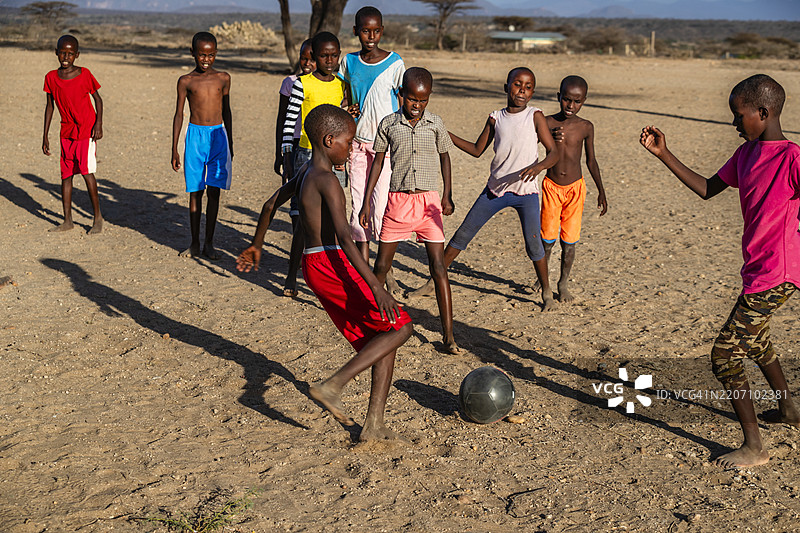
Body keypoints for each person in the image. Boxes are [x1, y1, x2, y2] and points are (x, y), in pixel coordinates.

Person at [640, 74, 800, 468]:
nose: (733, 122)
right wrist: (665, 154)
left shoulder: (791, 157)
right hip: (758, 270)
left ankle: (754, 446)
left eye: (738, 114)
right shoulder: (745, 155)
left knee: (725, 354)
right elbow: (709, 188)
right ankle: (789, 411)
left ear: (763, 113)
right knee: (757, 340)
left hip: (778, 272)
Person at [237, 104, 412, 442]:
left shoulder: (305, 171)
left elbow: (269, 205)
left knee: (382, 338)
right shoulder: (328, 180)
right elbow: (346, 239)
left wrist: (257, 243)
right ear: (329, 140)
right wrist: (377, 286)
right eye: (348, 142)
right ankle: (334, 385)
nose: (351, 148)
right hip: (332, 262)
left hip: (313, 263)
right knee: (402, 327)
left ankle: (373, 425)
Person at [408, 67, 558, 312]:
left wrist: (539, 167)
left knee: (533, 244)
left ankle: (546, 291)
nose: (522, 90)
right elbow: (477, 150)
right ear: (506, 87)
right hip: (495, 190)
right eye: (517, 84)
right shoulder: (495, 118)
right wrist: (445, 133)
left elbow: (554, 153)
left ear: (533, 92)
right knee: (462, 235)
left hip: (526, 192)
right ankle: (431, 282)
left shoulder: (535, 116)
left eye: (528, 86)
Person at [359, 67, 460, 353]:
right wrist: (367, 201)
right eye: (412, 99)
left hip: (429, 205)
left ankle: (449, 336)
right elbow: (377, 163)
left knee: (439, 268)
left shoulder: (436, 124)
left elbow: (445, 158)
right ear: (400, 94)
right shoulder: (388, 124)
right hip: (398, 202)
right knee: (381, 266)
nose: (417, 106)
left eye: (423, 100)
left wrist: (447, 196)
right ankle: (367, 322)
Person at [338, 6, 405, 293]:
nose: (371, 36)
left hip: (385, 148)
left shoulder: (394, 63)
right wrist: (345, 109)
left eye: (376, 30)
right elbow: (342, 96)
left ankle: (383, 269)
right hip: (357, 144)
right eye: (365, 30)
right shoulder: (348, 63)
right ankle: (366, 275)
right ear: (356, 31)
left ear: (382, 31)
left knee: (379, 211)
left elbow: (406, 101)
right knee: (358, 212)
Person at [280, 31, 351, 296]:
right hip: (304, 156)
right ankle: (291, 276)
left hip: (333, 159)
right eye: (323, 55)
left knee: (332, 217)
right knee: (301, 219)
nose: (329, 60)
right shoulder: (302, 84)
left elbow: (342, 119)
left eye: (334, 55)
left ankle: (330, 274)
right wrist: (287, 158)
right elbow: (289, 123)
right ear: (314, 55)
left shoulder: (342, 84)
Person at [542, 76, 607, 303]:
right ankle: (544, 280)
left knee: (569, 241)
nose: (570, 106)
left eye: (577, 101)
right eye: (566, 99)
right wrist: (548, 137)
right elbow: (530, 148)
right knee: (547, 240)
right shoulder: (546, 123)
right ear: (558, 96)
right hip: (551, 187)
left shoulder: (586, 127)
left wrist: (601, 190)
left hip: (575, 189)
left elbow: (591, 160)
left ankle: (563, 283)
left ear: (584, 101)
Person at [171, 31, 233, 260]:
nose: (206, 60)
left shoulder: (224, 78)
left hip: (218, 136)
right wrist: (174, 147)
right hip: (195, 136)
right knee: (195, 191)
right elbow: (178, 114)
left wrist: (231, 143)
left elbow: (227, 111)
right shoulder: (186, 81)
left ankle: (209, 243)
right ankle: (194, 243)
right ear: (192, 53)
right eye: (201, 55)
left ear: (215, 54)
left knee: (214, 191)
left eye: (210, 55)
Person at [42, 34, 104, 234]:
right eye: (62, 52)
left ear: (77, 55)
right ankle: (67, 220)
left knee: (87, 173)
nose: (66, 57)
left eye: (70, 53)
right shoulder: (51, 78)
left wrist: (98, 125)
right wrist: (45, 135)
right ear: (56, 53)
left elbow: (98, 100)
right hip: (66, 131)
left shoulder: (84, 74)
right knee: (66, 175)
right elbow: (49, 107)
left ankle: (97, 218)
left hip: (86, 130)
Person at [273, 39, 314, 297]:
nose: (308, 63)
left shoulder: (331, 83)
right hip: (295, 148)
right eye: (304, 58)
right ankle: (296, 261)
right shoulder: (290, 83)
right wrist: (281, 154)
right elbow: (282, 119)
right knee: (296, 209)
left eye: (313, 58)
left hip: (318, 150)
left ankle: (309, 259)